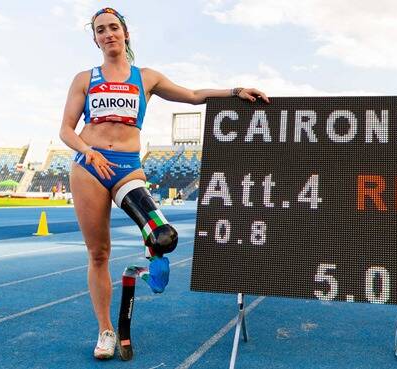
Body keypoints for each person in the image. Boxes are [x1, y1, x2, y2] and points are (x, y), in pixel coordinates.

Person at [59, 7, 269, 360]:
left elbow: (192, 95)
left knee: (164, 235)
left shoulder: (147, 77)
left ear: (125, 33)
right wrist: (86, 150)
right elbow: (65, 129)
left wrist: (234, 91)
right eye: (100, 30)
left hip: (125, 167)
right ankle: (106, 331)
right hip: (89, 166)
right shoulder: (84, 78)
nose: (108, 33)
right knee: (98, 253)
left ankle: (152, 259)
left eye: (114, 28)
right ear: (94, 38)